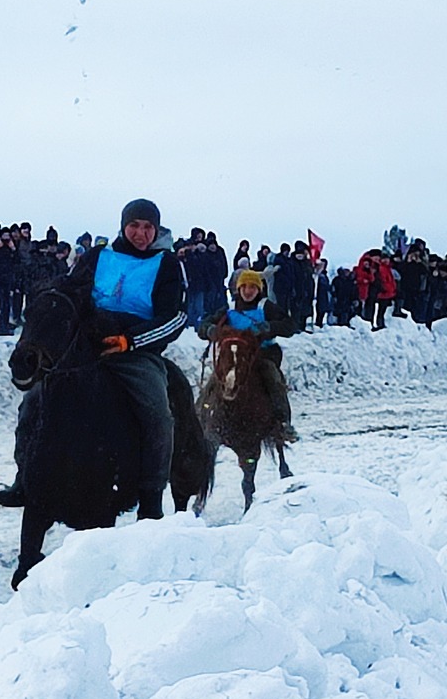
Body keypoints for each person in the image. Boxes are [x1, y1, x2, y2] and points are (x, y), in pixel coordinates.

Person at [65, 198, 186, 520]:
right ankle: (27, 477)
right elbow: (70, 293)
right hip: (85, 348)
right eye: (134, 225)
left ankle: (151, 495)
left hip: (135, 353)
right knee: (37, 398)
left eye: (148, 227)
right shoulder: (97, 256)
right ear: (123, 226)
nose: (141, 233)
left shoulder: (166, 263)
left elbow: (174, 317)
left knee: (158, 415)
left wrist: (130, 341)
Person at [199, 268, 300, 441]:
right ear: (238, 289)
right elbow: (204, 325)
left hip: (262, 355)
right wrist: (210, 330)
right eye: (244, 287)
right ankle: (200, 417)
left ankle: (283, 423)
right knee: (214, 381)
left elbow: (289, 325)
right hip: (233, 356)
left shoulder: (265, 307)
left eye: (252, 287)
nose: (248, 291)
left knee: (273, 379)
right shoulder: (229, 309)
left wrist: (268, 327)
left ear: (259, 290)